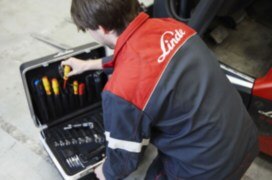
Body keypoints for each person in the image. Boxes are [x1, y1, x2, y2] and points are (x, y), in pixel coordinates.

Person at [62, 0, 259, 179]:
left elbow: (122, 163)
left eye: (87, 29)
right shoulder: (172, 27)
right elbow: (144, 60)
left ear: (102, 29)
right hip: (246, 141)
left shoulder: (121, 91)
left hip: (207, 170)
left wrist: (102, 172)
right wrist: (89, 65)